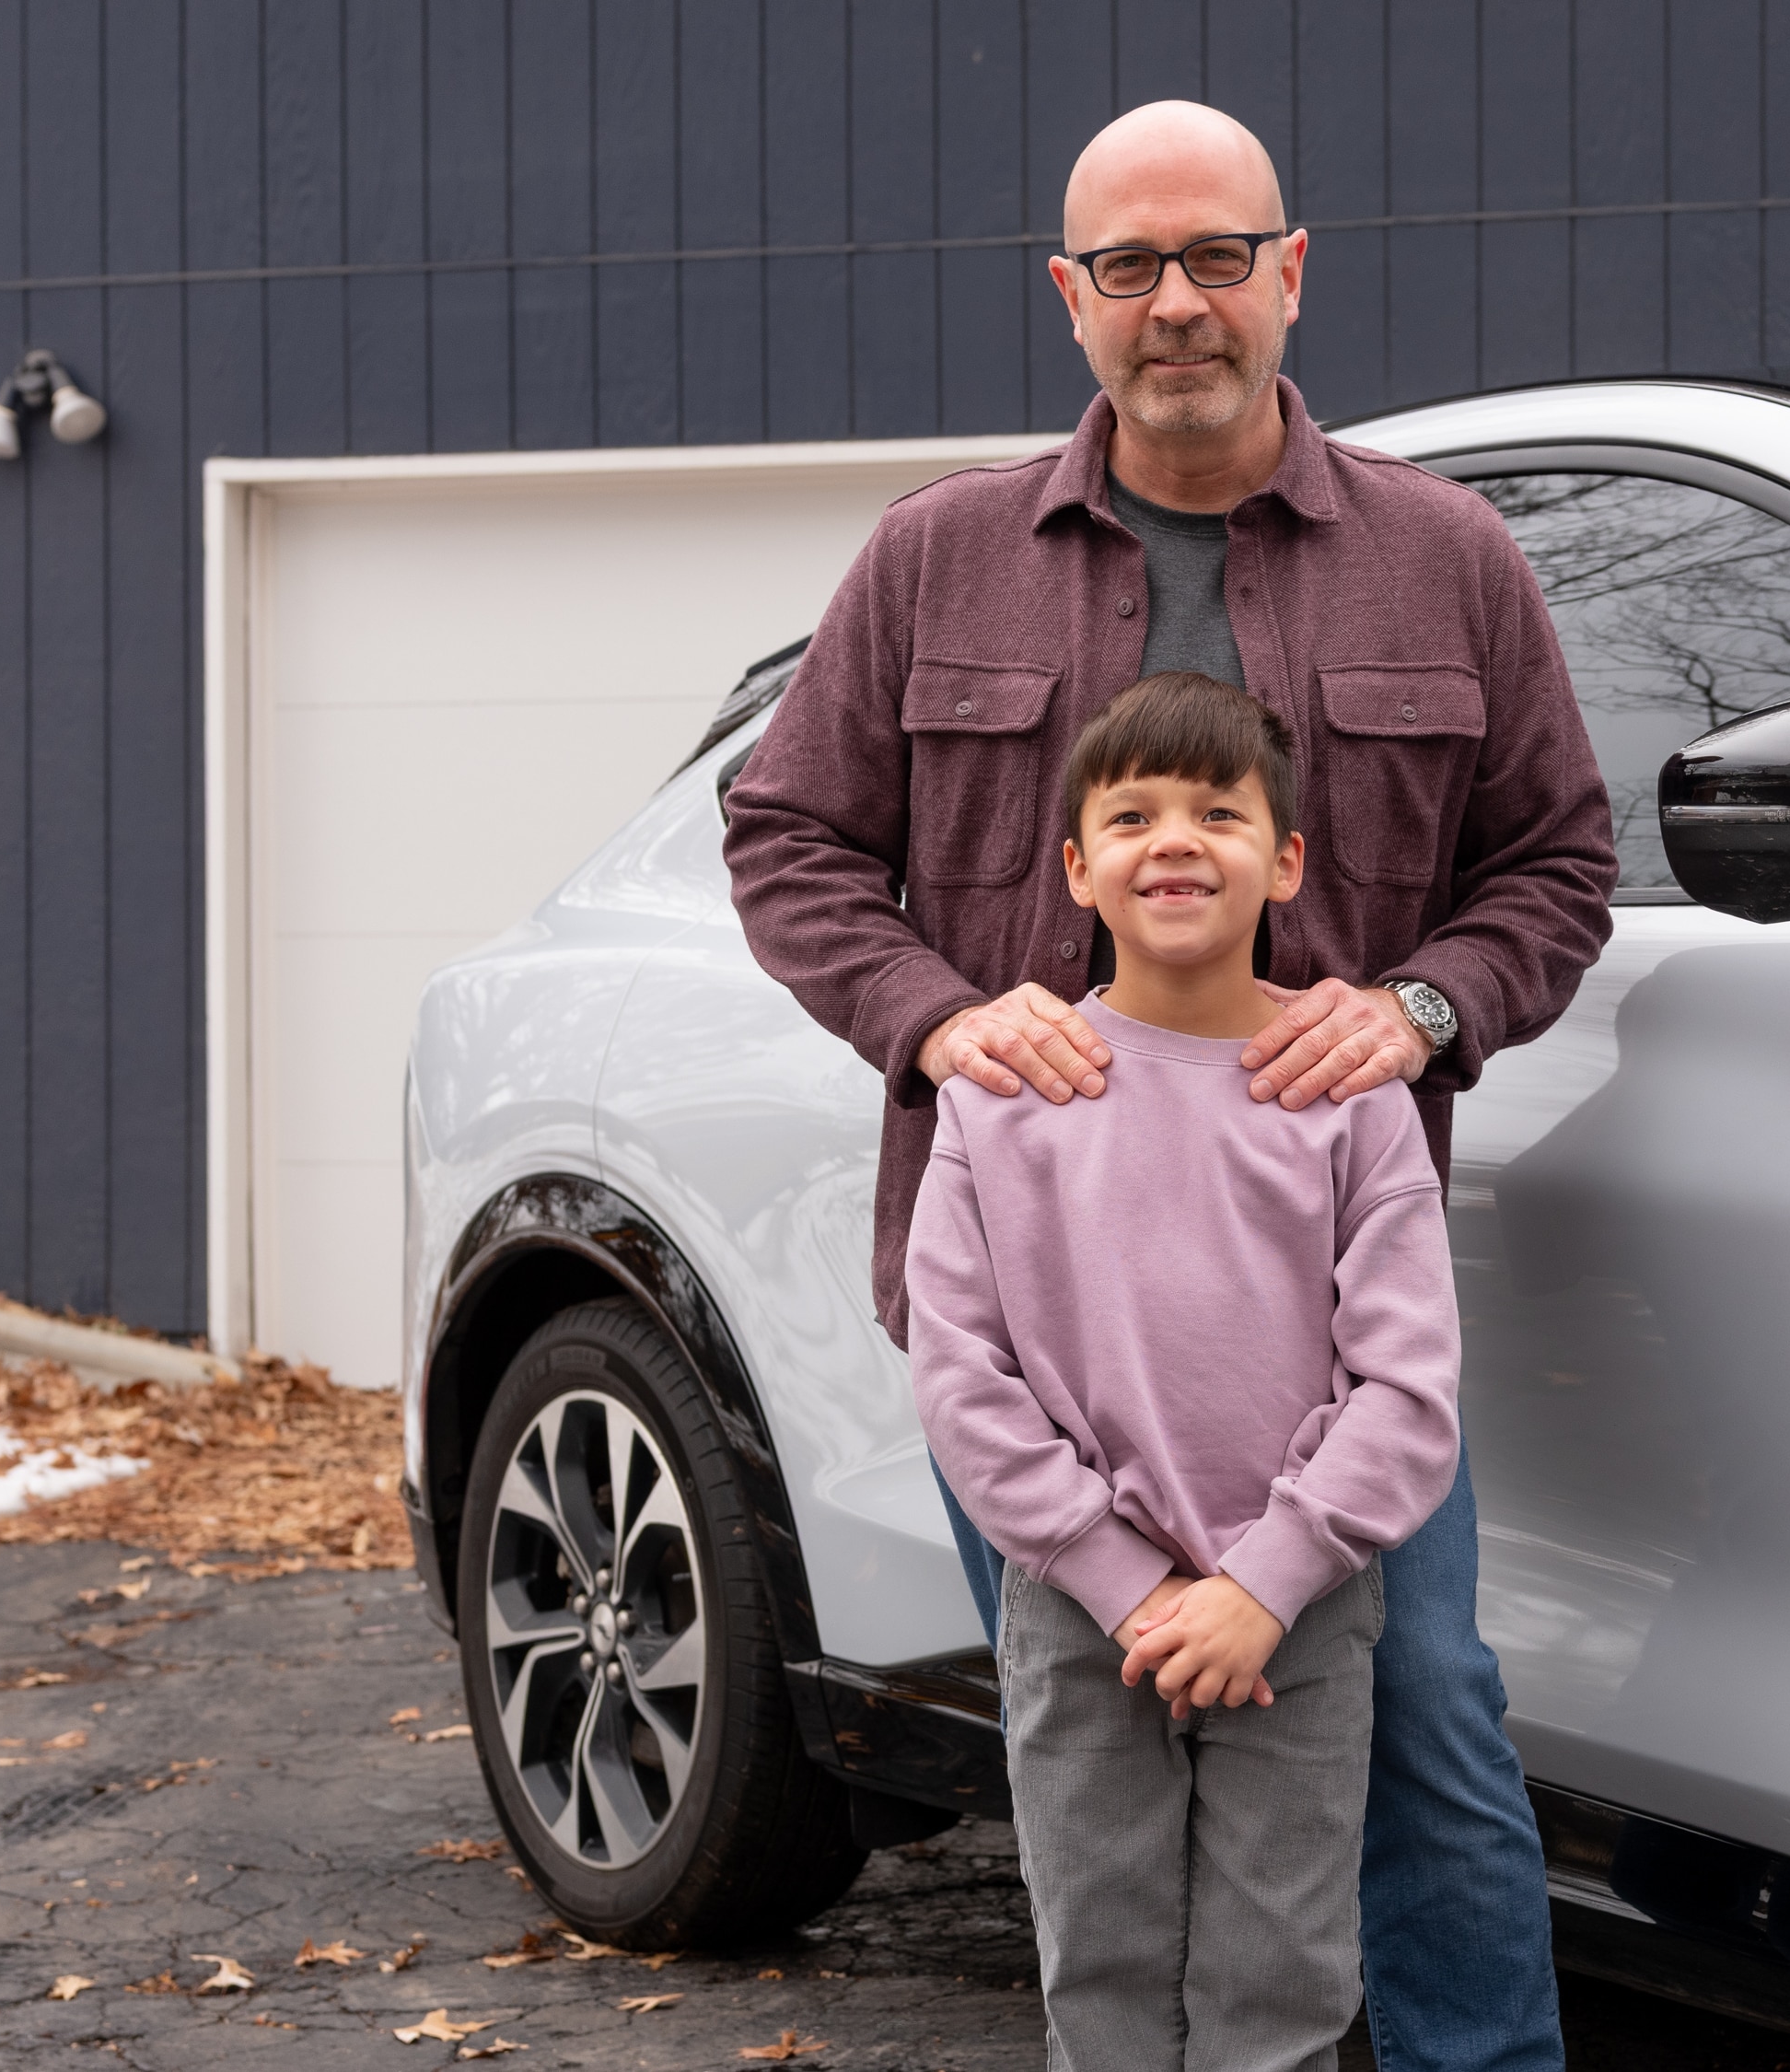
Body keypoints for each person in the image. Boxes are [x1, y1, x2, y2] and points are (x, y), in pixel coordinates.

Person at [720, 98, 1614, 2072]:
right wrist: (935, 1020)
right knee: (1100, 1764)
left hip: (1331, 1336)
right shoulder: (934, 558)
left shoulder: (1445, 562)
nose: (1177, 303)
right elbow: (786, 839)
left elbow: (1555, 866)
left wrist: (1425, 1011)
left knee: (1424, 1733)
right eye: (1128, 265)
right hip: (1041, 1341)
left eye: (1217, 256)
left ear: (1291, 273)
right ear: (1070, 298)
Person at [912, 672, 1463, 2072]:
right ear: (1076, 866)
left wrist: (1261, 1584)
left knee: (1279, 1978)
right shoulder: (1003, 1094)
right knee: (1097, 1961)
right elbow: (963, 1381)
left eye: (1220, 810)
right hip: (1081, 1607)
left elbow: (1406, 1394)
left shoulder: (1350, 1096)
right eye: (1134, 812)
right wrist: (1125, 1580)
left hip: (1300, 1617)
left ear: (1285, 859)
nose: (1176, 839)